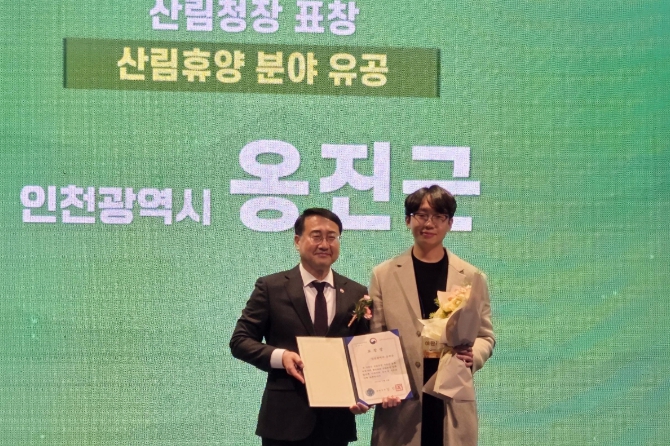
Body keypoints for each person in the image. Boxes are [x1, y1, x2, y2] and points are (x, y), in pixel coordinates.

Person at [229, 208, 372, 446]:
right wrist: (281, 356)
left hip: (336, 422)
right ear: (297, 241)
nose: (324, 244)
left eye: (332, 237)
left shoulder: (356, 292)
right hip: (284, 421)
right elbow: (240, 341)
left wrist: (366, 394)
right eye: (316, 236)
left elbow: (364, 350)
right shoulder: (271, 287)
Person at [369, 185, 495, 446]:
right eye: (421, 215)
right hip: (402, 401)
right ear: (408, 220)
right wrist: (383, 385)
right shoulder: (383, 274)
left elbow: (485, 336)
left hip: (451, 395)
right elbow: (376, 337)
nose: (429, 223)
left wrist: (473, 356)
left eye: (438, 216)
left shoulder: (471, 276)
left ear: (450, 223)